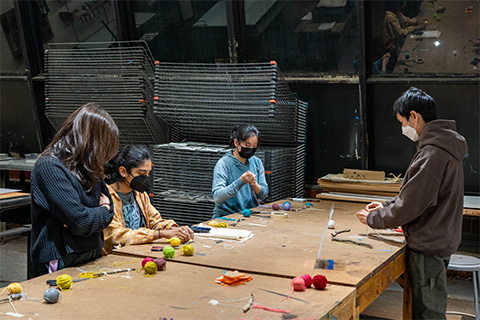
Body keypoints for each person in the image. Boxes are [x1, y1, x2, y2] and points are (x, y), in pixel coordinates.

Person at [356, 87, 467, 319]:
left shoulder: (433, 153)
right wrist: (386, 206)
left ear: (414, 116)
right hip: (439, 239)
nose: (402, 128)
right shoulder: (442, 146)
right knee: (427, 306)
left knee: (428, 313)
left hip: (429, 245)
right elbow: (417, 194)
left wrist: (373, 219)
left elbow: (410, 206)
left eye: (402, 121)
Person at [30, 103, 119, 277]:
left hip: (92, 252)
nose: (106, 157)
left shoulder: (89, 166)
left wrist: (94, 213)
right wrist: (101, 209)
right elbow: (80, 222)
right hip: (61, 258)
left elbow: (110, 212)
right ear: (92, 142)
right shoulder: (49, 166)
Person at [103, 145, 194, 254]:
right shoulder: (106, 197)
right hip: (115, 258)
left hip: (140, 252)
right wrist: (160, 234)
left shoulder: (140, 195)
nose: (145, 178)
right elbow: (116, 236)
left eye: (148, 174)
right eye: (141, 174)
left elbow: (155, 221)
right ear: (123, 171)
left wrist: (174, 229)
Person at [212, 124, 268, 218]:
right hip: (227, 216)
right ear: (236, 143)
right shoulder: (224, 164)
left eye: (254, 145)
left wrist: (254, 184)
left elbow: (264, 194)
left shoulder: (256, 162)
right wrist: (240, 181)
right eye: (247, 145)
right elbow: (218, 197)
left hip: (248, 215)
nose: (250, 149)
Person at [383, 0, 424, 72]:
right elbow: (400, 33)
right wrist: (414, 28)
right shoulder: (390, 17)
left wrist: (417, 22)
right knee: (398, 67)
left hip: (397, 44)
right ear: (396, 5)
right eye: (400, 6)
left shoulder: (397, 13)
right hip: (393, 50)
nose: (402, 7)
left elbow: (406, 20)